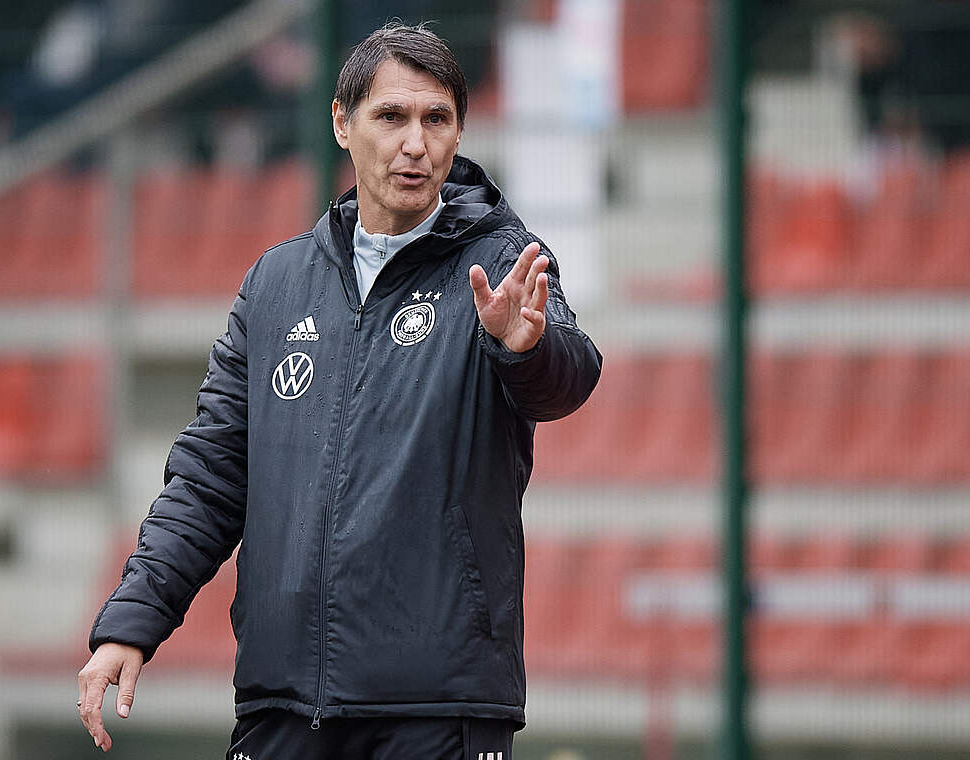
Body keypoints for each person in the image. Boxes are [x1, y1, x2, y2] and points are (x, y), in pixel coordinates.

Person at [75, 22, 602, 759]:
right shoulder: (277, 284)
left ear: (458, 134)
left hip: (437, 707)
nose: (415, 143)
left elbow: (570, 376)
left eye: (436, 119)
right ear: (341, 124)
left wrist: (526, 349)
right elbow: (209, 476)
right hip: (285, 700)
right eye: (392, 117)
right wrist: (132, 623)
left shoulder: (505, 263)